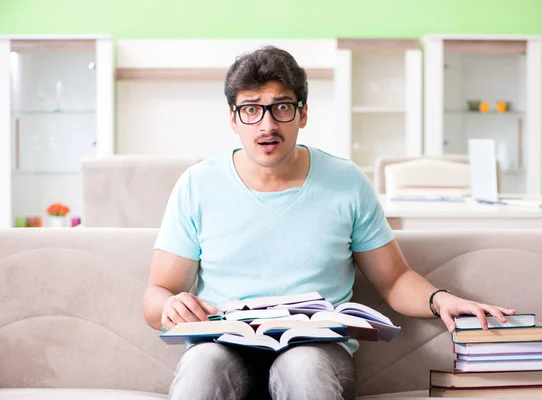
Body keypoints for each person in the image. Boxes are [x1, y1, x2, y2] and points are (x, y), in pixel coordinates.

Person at [142, 46, 516, 400]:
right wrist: (170, 305)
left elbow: (394, 279)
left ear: (303, 113)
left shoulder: (347, 181)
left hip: (317, 352)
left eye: (282, 108)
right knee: (202, 364)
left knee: (301, 365)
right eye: (252, 110)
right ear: (233, 118)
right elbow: (157, 293)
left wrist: (441, 300)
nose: (267, 125)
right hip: (223, 347)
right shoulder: (197, 185)